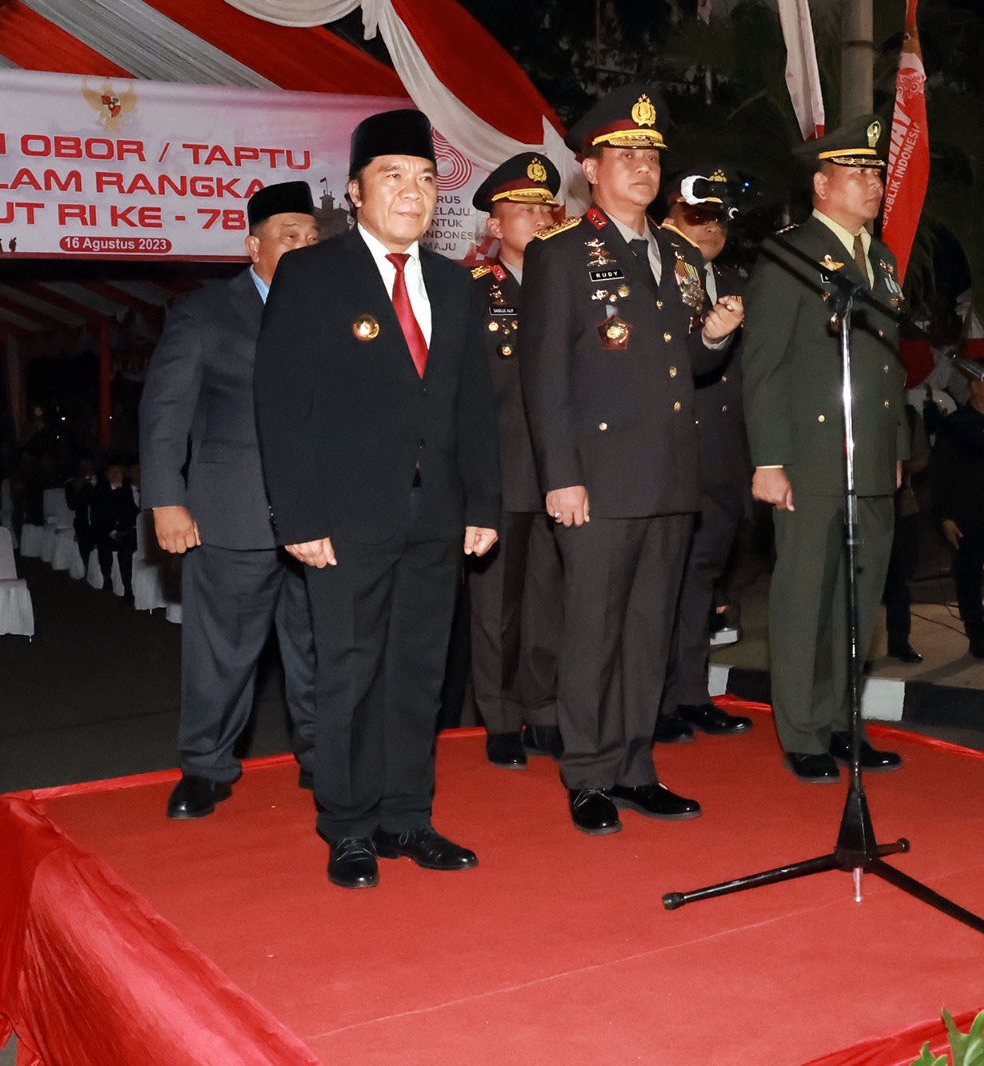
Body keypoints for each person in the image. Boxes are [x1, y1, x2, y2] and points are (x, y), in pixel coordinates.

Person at [256, 111, 501, 889]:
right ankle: (349, 825)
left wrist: (484, 506)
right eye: (393, 176)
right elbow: (281, 405)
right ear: (356, 193)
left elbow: (473, 409)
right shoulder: (313, 275)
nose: (413, 192)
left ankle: (408, 817)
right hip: (344, 521)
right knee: (350, 673)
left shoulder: (458, 286)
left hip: (436, 518)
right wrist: (298, 517)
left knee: (420, 673)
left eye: (426, 179)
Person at [521, 84, 744, 835]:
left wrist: (712, 335)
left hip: (669, 474)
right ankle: (586, 773)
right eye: (626, 154)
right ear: (591, 166)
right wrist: (561, 477)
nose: (643, 167)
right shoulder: (561, 253)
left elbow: (685, 363)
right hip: (598, 478)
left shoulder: (678, 252)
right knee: (594, 630)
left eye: (651, 154)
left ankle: (635, 765)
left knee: (650, 631)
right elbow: (545, 376)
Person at [139, 180, 322, 821]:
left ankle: (324, 760)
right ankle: (204, 767)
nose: (302, 245)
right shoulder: (206, 313)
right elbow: (165, 412)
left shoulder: (338, 310)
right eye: (287, 235)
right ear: (254, 247)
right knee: (221, 651)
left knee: (320, 648)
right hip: (232, 510)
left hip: (320, 517)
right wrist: (166, 499)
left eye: (310, 235)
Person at [742, 114, 907, 783]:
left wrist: (891, 445)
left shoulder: (884, 259)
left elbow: (886, 365)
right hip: (808, 458)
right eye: (858, 173)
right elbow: (765, 364)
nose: (872, 184)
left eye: (876, 173)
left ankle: (843, 722)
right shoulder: (791, 254)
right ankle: (803, 731)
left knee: (857, 599)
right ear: (821, 184)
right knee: (806, 594)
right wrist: (768, 459)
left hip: (868, 455)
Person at [464, 152, 566, 768]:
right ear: (495, 228)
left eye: (544, 209)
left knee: (550, 599)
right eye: (521, 211)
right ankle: (499, 714)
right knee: (495, 605)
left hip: (561, 472)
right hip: (499, 472)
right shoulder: (473, 292)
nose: (537, 219)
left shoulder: (572, 289)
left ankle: (546, 706)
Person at [656, 163, 754, 743]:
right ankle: (658, 701)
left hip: (722, 457)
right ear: (669, 217)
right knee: (662, 585)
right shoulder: (655, 277)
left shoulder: (738, 282)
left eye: (718, 217)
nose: (710, 226)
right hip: (671, 453)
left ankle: (691, 694)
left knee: (702, 583)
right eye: (697, 215)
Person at [929, 359, 984, 660]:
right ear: (974, 386)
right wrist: (945, 516)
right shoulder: (955, 425)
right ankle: (978, 637)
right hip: (967, 516)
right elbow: (941, 474)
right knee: (968, 578)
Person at [881, 402, 929, 664]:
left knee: (899, 583)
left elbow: (922, 457)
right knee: (865, 585)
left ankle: (899, 642)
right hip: (867, 509)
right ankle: (857, 650)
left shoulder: (908, 413)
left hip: (902, 507)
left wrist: (901, 465)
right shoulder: (857, 405)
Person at [89, 457, 140, 599]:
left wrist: (123, 529)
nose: (116, 475)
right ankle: (107, 578)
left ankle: (128, 588)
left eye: (119, 472)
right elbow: (97, 517)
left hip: (124, 532)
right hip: (106, 531)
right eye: (113, 472)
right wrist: (110, 531)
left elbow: (130, 514)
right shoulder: (99, 491)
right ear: (106, 474)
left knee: (125, 549)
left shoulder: (126, 490)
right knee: (103, 544)